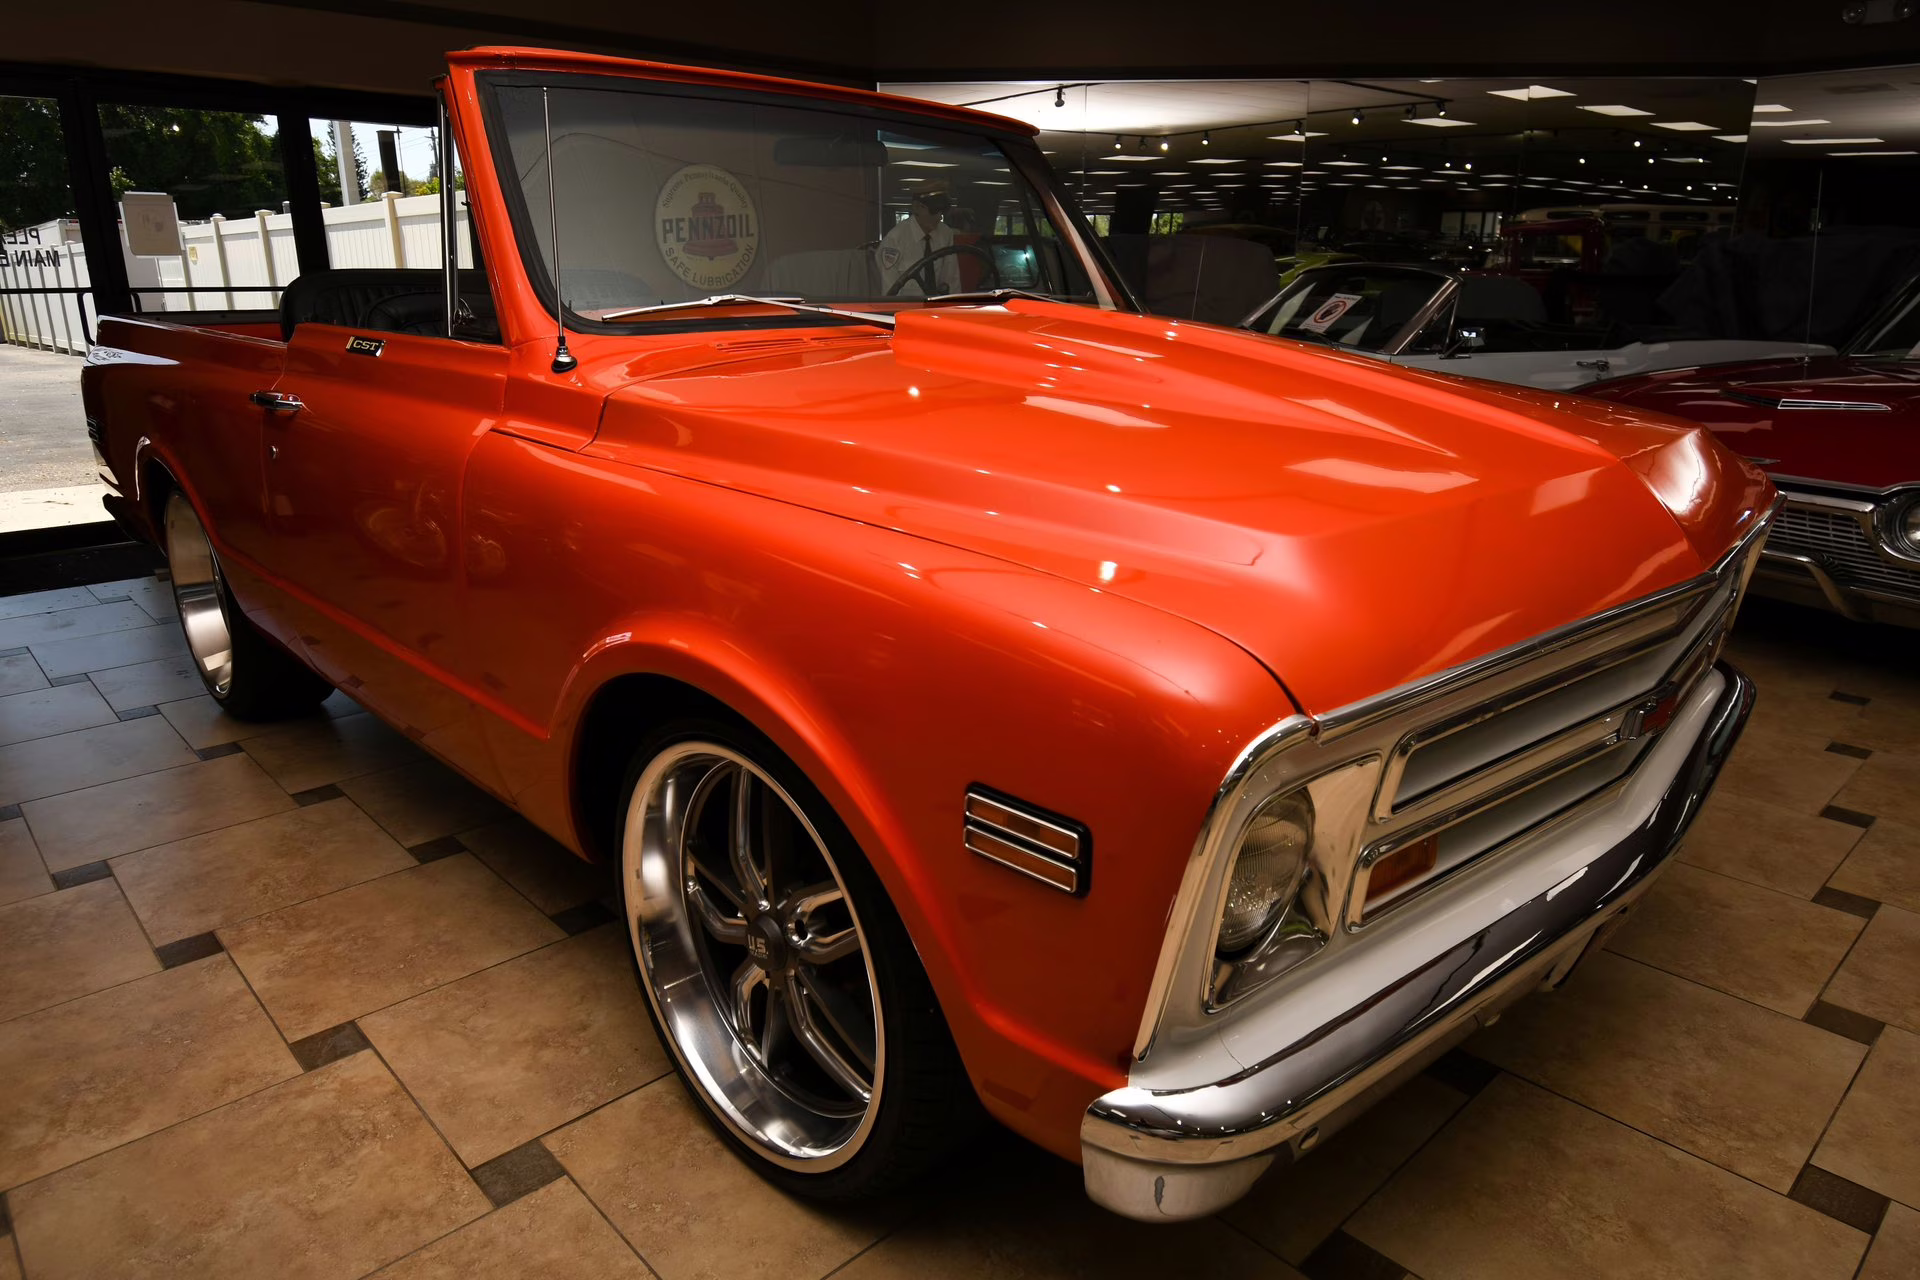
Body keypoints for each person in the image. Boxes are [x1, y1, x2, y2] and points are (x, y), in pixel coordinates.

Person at [876, 186, 960, 296]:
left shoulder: (945, 234)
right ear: (916, 207)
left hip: (937, 304)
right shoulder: (895, 240)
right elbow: (890, 290)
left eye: (942, 212)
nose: (939, 217)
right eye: (933, 211)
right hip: (907, 305)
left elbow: (951, 280)